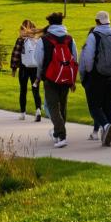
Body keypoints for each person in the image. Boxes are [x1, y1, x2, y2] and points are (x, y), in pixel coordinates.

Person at [78, 10, 111, 147]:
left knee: (94, 106)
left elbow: (87, 58)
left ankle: (105, 126)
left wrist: (87, 73)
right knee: (108, 106)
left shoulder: (94, 36)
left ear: (97, 21)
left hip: (97, 76)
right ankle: (106, 136)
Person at [33, 12, 78, 148]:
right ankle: (58, 133)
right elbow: (75, 59)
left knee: (53, 106)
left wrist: (39, 76)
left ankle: (61, 134)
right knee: (62, 105)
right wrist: (73, 80)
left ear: (50, 24)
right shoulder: (70, 39)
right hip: (66, 77)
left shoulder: (44, 40)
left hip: (50, 77)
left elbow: (38, 60)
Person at [9, 19, 42, 121]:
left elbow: (16, 55)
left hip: (24, 68)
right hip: (36, 68)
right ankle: (38, 110)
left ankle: (23, 113)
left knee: (23, 90)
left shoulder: (21, 40)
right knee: (35, 90)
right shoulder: (37, 40)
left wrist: (14, 68)